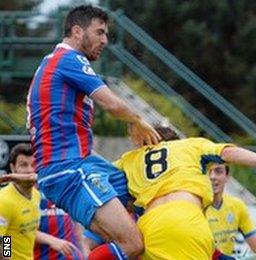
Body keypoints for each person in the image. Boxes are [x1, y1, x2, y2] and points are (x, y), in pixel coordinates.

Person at [26, 4, 160, 259]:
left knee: (140, 192)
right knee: (132, 243)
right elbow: (7, 235)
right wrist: (20, 250)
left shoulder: (30, 195)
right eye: (100, 32)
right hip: (25, 249)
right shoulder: (8, 204)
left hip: (75, 176)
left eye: (25, 166)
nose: (105, 40)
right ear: (77, 31)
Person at [113, 126, 256, 260]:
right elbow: (229, 153)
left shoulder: (130, 159)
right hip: (188, 224)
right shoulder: (189, 145)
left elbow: (93, 180)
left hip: (149, 231)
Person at [206, 164, 256, 255]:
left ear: (227, 176)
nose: (212, 177)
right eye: (207, 172)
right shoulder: (194, 207)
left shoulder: (237, 206)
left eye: (218, 171)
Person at [0, 143, 41, 259]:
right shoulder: (4, 201)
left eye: (33, 165)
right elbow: (4, 238)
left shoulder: (36, 195)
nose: (30, 170)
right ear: (13, 168)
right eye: (24, 165)